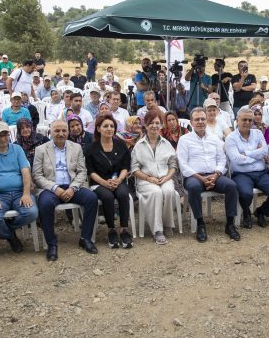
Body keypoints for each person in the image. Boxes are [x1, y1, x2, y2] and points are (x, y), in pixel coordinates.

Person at [33, 120, 100, 259]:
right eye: (57, 131)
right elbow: (37, 175)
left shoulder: (76, 147)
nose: (61, 134)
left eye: (64, 130)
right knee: (45, 204)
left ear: (68, 132)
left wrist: (73, 188)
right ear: (50, 132)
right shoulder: (41, 150)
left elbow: (82, 171)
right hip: (51, 188)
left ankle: (85, 238)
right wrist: (54, 188)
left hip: (72, 185)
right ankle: (51, 244)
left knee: (91, 198)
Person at [177, 107, 240, 242]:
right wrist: (201, 178)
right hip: (194, 177)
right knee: (193, 188)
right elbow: (183, 164)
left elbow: (221, 159)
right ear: (191, 122)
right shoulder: (184, 140)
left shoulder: (214, 138)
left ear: (206, 120)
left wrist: (216, 175)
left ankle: (230, 224)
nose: (200, 122)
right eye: (197, 119)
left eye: (202, 119)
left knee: (231, 186)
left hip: (214, 175)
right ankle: (200, 224)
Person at [0, 122, 38, 254]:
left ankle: (2, 230)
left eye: (6, 134)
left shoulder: (17, 149)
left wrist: (26, 193)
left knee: (32, 212)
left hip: (19, 193)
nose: (4, 138)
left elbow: (25, 172)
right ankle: (11, 236)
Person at [225, 109, 269, 228]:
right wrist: (256, 155)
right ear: (237, 121)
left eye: (250, 120)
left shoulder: (257, 133)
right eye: (244, 120)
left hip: (261, 173)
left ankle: (261, 212)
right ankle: (246, 213)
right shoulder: (231, 138)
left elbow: (264, 152)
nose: (247, 122)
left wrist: (246, 153)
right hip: (241, 174)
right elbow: (236, 159)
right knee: (246, 194)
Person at [85, 114, 134, 249]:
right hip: (99, 182)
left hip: (117, 180)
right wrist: (104, 183)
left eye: (112, 126)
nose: (109, 129)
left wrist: (119, 180)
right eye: (105, 126)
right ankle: (111, 229)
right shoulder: (91, 148)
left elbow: (126, 166)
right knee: (107, 196)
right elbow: (91, 172)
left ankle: (123, 229)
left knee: (123, 194)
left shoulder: (121, 145)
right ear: (98, 129)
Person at [131, 111, 178, 244]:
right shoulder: (139, 145)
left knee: (168, 191)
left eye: (157, 123)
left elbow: (173, 164)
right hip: (145, 180)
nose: (154, 126)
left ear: (162, 125)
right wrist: (148, 178)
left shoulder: (166, 144)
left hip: (164, 178)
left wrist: (168, 177)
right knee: (156, 193)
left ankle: (167, 223)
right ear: (145, 125)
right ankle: (157, 230)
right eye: (151, 123)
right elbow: (134, 169)